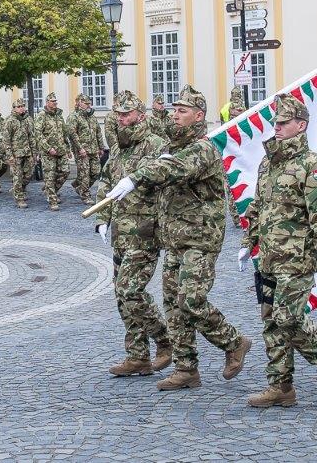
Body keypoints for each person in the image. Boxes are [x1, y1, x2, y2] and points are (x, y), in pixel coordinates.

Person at [104, 85, 251, 392]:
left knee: (190, 300)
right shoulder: (175, 146)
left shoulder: (203, 148)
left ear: (198, 116)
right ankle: (186, 368)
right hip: (174, 238)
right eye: (174, 110)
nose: (175, 115)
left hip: (200, 239)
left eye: (182, 111)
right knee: (173, 306)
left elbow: (174, 168)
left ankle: (234, 342)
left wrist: (135, 177)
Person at [238, 94, 317, 408]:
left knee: (288, 318)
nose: (277, 128)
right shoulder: (268, 163)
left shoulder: (313, 167)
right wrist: (248, 243)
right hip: (269, 257)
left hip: (298, 259)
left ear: (301, 125)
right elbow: (258, 207)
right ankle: (280, 386)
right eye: (276, 123)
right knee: (271, 321)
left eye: (284, 123)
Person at [94, 91, 172, 377]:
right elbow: (106, 183)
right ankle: (137, 355)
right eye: (118, 114)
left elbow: (164, 181)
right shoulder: (119, 148)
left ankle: (164, 338)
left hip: (145, 231)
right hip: (121, 231)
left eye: (126, 114)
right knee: (121, 295)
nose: (121, 118)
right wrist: (102, 219)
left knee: (130, 290)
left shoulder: (157, 144)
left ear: (140, 115)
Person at [34, 94, 72, 211]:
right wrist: (48, 148)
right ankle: (52, 200)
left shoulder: (59, 115)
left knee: (66, 171)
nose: (55, 103)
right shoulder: (42, 116)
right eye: (52, 101)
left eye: (56, 101)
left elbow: (64, 133)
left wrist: (68, 149)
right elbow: (38, 134)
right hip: (48, 153)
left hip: (61, 150)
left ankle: (50, 190)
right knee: (49, 177)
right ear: (47, 102)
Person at [68, 94, 105, 205]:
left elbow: (98, 132)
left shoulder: (92, 117)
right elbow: (72, 134)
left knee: (96, 172)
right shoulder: (74, 117)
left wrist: (101, 147)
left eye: (89, 103)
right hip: (82, 151)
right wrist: (80, 148)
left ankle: (78, 185)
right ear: (79, 103)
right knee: (85, 174)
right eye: (86, 103)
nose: (88, 105)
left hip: (94, 149)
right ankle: (85, 195)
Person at [3, 98, 38, 209]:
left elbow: (32, 137)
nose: (21, 108)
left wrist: (34, 152)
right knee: (17, 176)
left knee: (29, 174)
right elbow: (6, 140)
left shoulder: (28, 119)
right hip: (15, 154)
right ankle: (19, 198)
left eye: (23, 106)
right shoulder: (9, 121)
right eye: (19, 107)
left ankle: (18, 189)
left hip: (27, 152)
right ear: (14, 109)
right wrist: (9, 155)